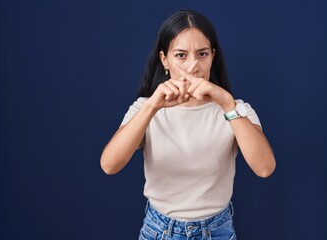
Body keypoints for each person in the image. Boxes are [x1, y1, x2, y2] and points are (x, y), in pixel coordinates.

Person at [100, 9, 276, 240]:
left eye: (202, 54)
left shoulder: (235, 109)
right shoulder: (145, 107)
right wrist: (152, 107)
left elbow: (264, 168)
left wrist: (226, 103)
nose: (193, 66)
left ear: (213, 56)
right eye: (181, 55)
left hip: (218, 231)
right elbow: (109, 165)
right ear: (164, 59)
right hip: (159, 230)